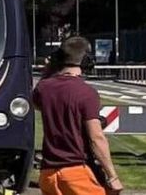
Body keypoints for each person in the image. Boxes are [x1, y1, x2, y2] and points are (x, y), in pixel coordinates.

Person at [33, 36, 122, 195]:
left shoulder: (43, 88)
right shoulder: (86, 93)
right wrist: (112, 176)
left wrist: (50, 69)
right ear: (87, 60)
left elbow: (39, 105)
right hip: (76, 172)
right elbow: (96, 138)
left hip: (48, 174)